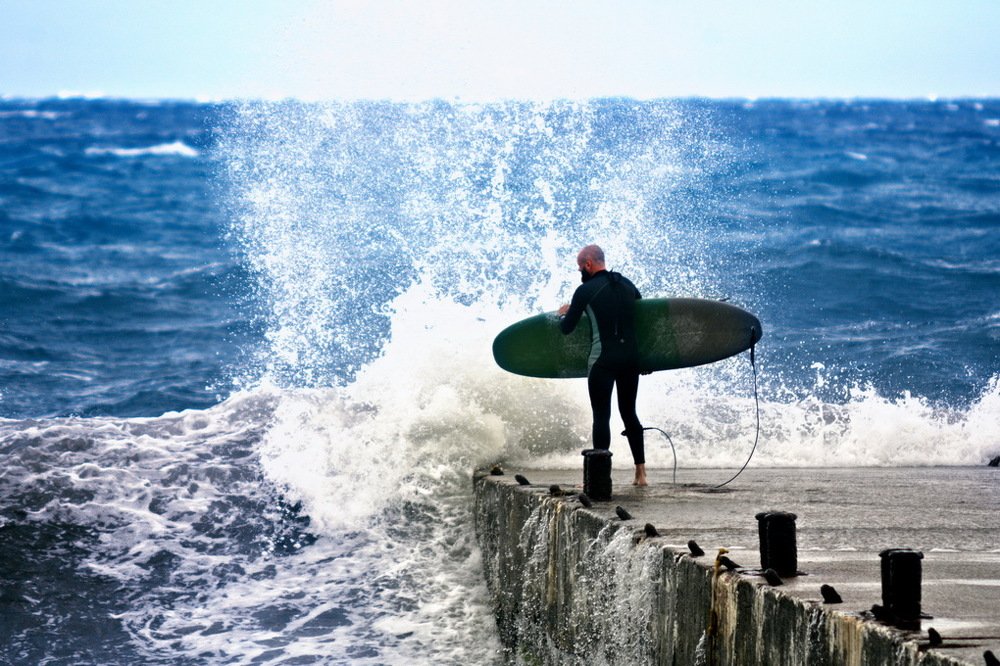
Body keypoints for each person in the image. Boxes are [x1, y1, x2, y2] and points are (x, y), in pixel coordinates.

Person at [557, 244, 647, 486]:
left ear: (588, 264)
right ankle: (641, 474)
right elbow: (642, 321)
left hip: (603, 361)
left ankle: (600, 477)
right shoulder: (628, 285)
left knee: (601, 416)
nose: (579, 273)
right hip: (631, 360)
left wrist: (563, 313)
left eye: (579, 268)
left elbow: (567, 329)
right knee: (629, 412)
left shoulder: (585, 290)